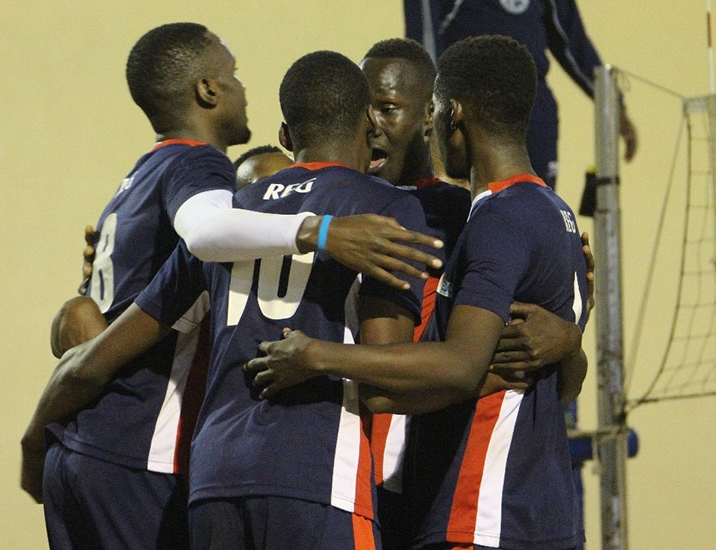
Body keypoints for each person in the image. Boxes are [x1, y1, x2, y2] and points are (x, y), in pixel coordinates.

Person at [20, 23, 442, 550]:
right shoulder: (384, 207)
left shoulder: (236, 209)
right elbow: (385, 384)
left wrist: (37, 433)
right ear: (364, 123)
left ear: (286, 136)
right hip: (316, 477)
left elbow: (102, 350)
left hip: (213, 480)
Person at [246, 35, 590, 549]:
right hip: (337, 476)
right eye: (364, 109)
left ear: (433, 115)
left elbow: (545, 377)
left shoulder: (478, 216)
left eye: (387, 108)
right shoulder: (324, 205)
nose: (371, 124)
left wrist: (567, 347)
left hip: (445, 492)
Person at [404, 0, 637, 190]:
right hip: (470, 109)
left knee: (537, 210)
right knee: (469, 215)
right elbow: (424, 39)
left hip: (534, 113)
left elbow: (573, 42)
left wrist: (614, 104)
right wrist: (434, 115)